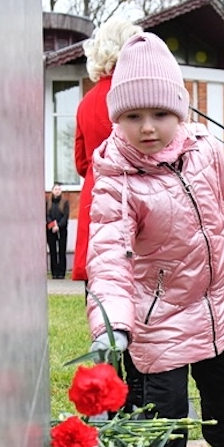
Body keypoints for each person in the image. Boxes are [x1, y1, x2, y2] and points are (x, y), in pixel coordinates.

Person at [84, 33, 224, 447]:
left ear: (179, 112)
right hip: (157, 316)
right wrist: (112, 325)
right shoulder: (115, 179)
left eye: (160, 114)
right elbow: (108, 257)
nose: (148, 127)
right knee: (162, 415)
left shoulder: (204, 149)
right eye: (133, 116)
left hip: (217, 299)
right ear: (116, 118)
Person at [72, 18, 143, 284]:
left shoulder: (86, 101)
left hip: (95, 194)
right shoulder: (137, 95)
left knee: (101, 287)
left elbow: (81, 163)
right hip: (133, 195)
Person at [46, 183, 70, 279]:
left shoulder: (65, 202)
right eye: (55, 189)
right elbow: (46, 215)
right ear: (52, 191)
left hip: (62, 230)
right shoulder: (48, 203)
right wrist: (52, 225)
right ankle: (54, 272)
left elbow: (66, 216)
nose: (57, 191)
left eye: (59, 189)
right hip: (51, 230)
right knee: (53, 251)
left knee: (61, 251)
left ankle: (61, 272)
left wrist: (59, 226)